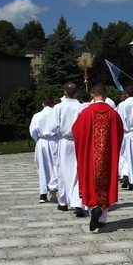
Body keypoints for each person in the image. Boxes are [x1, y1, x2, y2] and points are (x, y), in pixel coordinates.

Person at [72, 83, 124, 231]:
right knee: (105, 183)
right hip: (107, 157)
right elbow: (120, 134)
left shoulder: (86, 113)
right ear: (106, 96)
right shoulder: (113, 114)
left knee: (90, 179)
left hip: (90, 156)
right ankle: (101, 218)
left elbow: (76, 132)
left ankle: (93, 208)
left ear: (93, 96)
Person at [54, 82, 85, 217]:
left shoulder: (59, 107)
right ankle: (78, 202)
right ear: (77, 93)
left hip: (64, 141)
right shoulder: (81, 107)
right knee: (77, 172)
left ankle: (64, 201)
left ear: (64, 92)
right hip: (78, 142)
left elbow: (53, 127)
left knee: (63, 172)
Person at [29, 95, 59, 203]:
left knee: (42, 166)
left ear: (43, 103)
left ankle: (43, 194)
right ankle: (54, 188)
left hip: (41, 141)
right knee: (55, 165)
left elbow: (32, 131)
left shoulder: (37, 116)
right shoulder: (55, 114)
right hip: (53, 141)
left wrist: (38, 140)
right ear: (52, 103)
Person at [116, 85, 133, 190]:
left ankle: (124, 175)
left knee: (123, 155)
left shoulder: (122, 105)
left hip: (125, 132)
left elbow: (119, 119)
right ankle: (131, 179)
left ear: (126, 94)